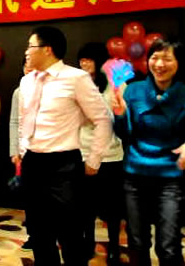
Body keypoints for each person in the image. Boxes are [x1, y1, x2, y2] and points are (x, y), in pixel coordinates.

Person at [15, 26, 113, 266]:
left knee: (70, 235)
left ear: (47, 49)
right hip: (33, 163)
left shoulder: (76, 78)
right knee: (39, 233)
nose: (26, 52)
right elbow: (23, 119)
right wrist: (22, 149)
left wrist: (94, 159)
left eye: (30, 46)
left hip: (64, 165)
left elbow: (102, 119)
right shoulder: (26, 81)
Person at [113, 39, 185, 266]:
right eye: (155, 58)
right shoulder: (133, 91)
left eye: (167, 59)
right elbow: (124, 133)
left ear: (179, 63)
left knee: (169, 246)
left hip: (170, 178)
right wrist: (120, 115)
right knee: (137, 242)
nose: (160, 64)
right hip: (135, 175)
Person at [77, 42, 124, 265]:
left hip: (110, 154)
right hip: (83, 152)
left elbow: (117, 117)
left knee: (113, 207)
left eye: (88, 59)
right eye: (81, 60)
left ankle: (114, 246)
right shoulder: (77, 84)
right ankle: (88, 243)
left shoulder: (114, 85)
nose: (84, 63)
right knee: (85, 206)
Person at [9, 58, 34, 251]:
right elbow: (14, 122)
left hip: (46, 150)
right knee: (30, 196)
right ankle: (33, 235)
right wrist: (14, 150)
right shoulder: (19, 92)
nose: (28, 69)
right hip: (25, 152)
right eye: (26, 66)